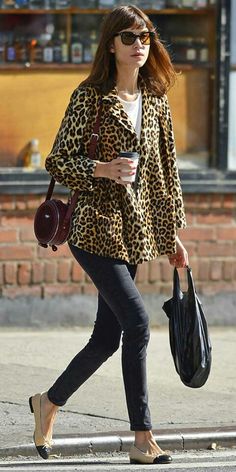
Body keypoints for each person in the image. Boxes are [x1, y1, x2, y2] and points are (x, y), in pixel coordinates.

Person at [29, 4, 188, 465]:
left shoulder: (156, 100)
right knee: (138, 324)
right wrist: (101, 168)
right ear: (111, 45)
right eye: (130, 37)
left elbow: (164, 177)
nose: (141, 44)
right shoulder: (90, 97)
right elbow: (57, 161)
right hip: (94, 229)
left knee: (107, 337)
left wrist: (171, 234)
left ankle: (48, 403)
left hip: (133, 233)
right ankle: (143, 437)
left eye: (146, 37)